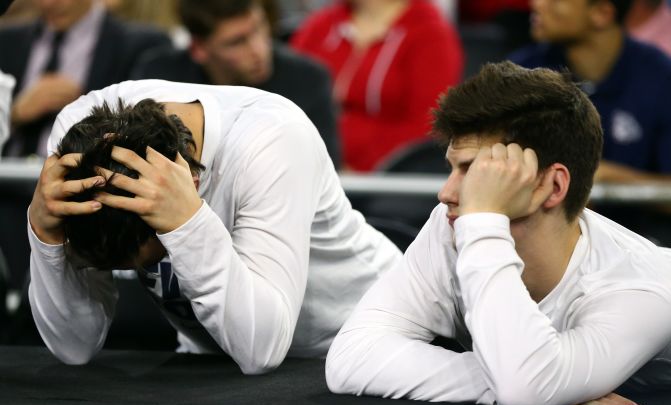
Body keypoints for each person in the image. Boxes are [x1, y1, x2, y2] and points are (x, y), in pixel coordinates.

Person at [325, 61, 671, 405]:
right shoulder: (457, 224)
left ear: (552, 187)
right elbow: (351, 357)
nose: (446, 193)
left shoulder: (644, 286)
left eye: (476, 171)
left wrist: (483, 220)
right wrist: (524, 378)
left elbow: (524, 390)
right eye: (453, 168)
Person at [27, 79, 401, 372]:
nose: (144, 272)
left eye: (145, 259)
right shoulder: (77, 144)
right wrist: (46, 235)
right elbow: (74, 347)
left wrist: (187, 222)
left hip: (363, 338)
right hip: (215, 360)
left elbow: (261, 350)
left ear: (189, 181)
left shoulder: (273, 139)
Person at [132, 0, 341, 168]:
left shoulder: (308, 79)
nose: (258, 49)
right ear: (199, 49)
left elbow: (322, 170)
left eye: (259, 27)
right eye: (237, 42)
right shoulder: (160, 78)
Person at [508, 0, 671, 184]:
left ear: (602, 13)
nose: (537, 4)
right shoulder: (522, 73)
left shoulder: (660, 77)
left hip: (633, 214)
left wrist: (609, 178)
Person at [290, 0, 463, 171]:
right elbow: (285, 93)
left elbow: (427, 127)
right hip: (308, 164)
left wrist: (355, 163)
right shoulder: (319, 26)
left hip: (384, 177)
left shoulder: (431, 33)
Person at [0, 0, 171, 158]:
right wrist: (14, 112)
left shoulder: (142, 46)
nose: (48, 3)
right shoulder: (7, 41)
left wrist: (86, 107)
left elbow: (150, 129)